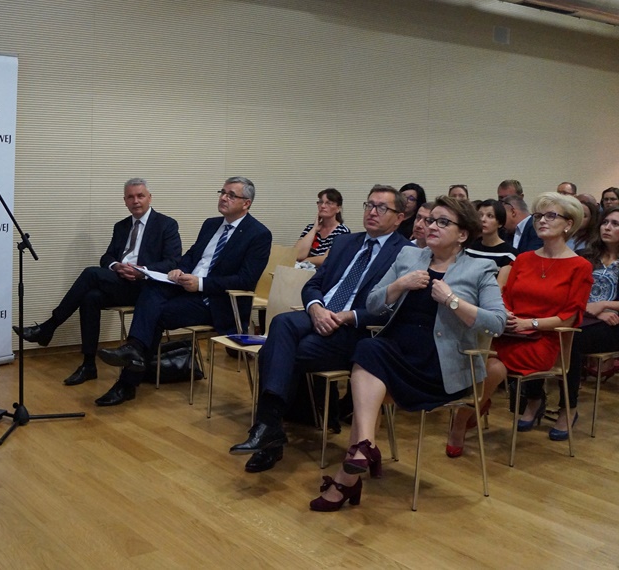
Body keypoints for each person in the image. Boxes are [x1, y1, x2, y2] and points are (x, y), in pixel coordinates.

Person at [309, 196, 505, 511]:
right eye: (431, 220)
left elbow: (497, 323)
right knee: (368, 348)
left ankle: (351, 471)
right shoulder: (409, 255)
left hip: (436, 367)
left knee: (368, 361)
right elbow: (373, 303)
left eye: (443, 222)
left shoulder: (480, 268)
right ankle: (363, 449)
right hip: (395, 352)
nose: (432, 226)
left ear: (462, 234)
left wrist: (453, 300)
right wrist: (399, 284)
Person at [229, 185, 409, 473]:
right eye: (369, 205)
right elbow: (313, 283)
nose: (372, 212)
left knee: (275, 352)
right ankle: (269, 428)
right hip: (319, 314)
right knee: (282, 322)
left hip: (356, 331)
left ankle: (268, 432)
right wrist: (315, 308)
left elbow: (394, 309)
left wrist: (348, 316)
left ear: (399, 217)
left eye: (381, 208)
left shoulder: (407, 253)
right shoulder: (346, 242)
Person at [95, 177, 272, 407]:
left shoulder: (259, 234)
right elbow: (191, 255)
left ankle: (127, 378)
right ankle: (134, 353)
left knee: (156, 314)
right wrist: (180, 270)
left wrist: (201, 283)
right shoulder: (211, 224)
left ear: (246, 203)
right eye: (222, 192)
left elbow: (245, 280)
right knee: (152, 287)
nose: (223, 198)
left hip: (215, 301)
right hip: (187, 288)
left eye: (231, 195)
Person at [13, 178, 182, 385]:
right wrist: (116, 266)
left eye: (140, 196)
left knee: (90, 274)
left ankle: (49, 327)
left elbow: (173, 262)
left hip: (147, 289)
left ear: (150, 198)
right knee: (90, 297)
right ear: (125, 201)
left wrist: (142, 271)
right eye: (130, 197)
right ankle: (88, 364)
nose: (136, 201)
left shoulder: (166, 224)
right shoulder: (121, 226)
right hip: (122, 282)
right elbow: (106, 257)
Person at [453, 192, 593, 440]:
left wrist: (530, 323)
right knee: (476, 355)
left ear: (569, 224)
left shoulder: (580, 266)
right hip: (510, 331)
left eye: (551, 216)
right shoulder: (524, 259)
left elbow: (569, 317)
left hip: (544, 339)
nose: (542, 221)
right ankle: (473, 409)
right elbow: (505, 296)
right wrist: (506, 315)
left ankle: (461, 420)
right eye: (538, 216)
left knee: (489, 361)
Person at [550, 208, 619, 440]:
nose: (607, 227)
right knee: (553, 332)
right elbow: (566, 292)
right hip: (585, 316)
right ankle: (533, 398)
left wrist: (604, 305)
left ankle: (568, 408)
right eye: (605, 222)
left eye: (616, 224)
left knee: (572, 339)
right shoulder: (584, 256)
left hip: (614, 323)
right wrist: (594, 310)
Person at [465, 199, 516, 287]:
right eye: (480, 215)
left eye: (490, 216)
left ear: (500, 223)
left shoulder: (508, 254)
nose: (483, 219)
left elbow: (499, 288)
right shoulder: (468, 249)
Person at [294, 188, 350, 266]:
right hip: (303, 270)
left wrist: (306, 260)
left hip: (325, 272)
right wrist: (314, 229)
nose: (323, 206)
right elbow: (297, 254)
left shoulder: (342, 231)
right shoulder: (310, 228)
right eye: (320, 202)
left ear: (338, 208)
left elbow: (328, 258)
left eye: (328, 203)